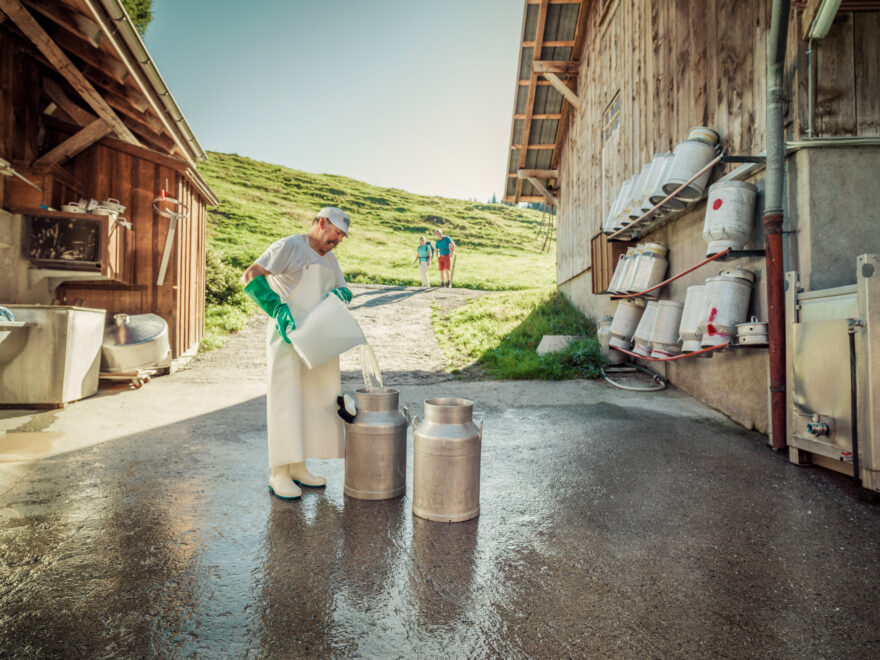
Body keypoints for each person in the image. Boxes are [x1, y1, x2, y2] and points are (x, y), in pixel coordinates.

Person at [241, 207, 353, 500]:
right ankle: (279, 473)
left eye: (342, 236)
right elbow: (251, 274)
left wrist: (342, 294)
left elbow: (342, 288)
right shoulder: (291, 246)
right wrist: (276, 308)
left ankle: (299, 467)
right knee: (285, 400)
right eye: (336, 233)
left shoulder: (330, 259)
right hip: (286, 336)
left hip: (317, 338)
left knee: (311, 401)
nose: (338, 240)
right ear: (322, 222)